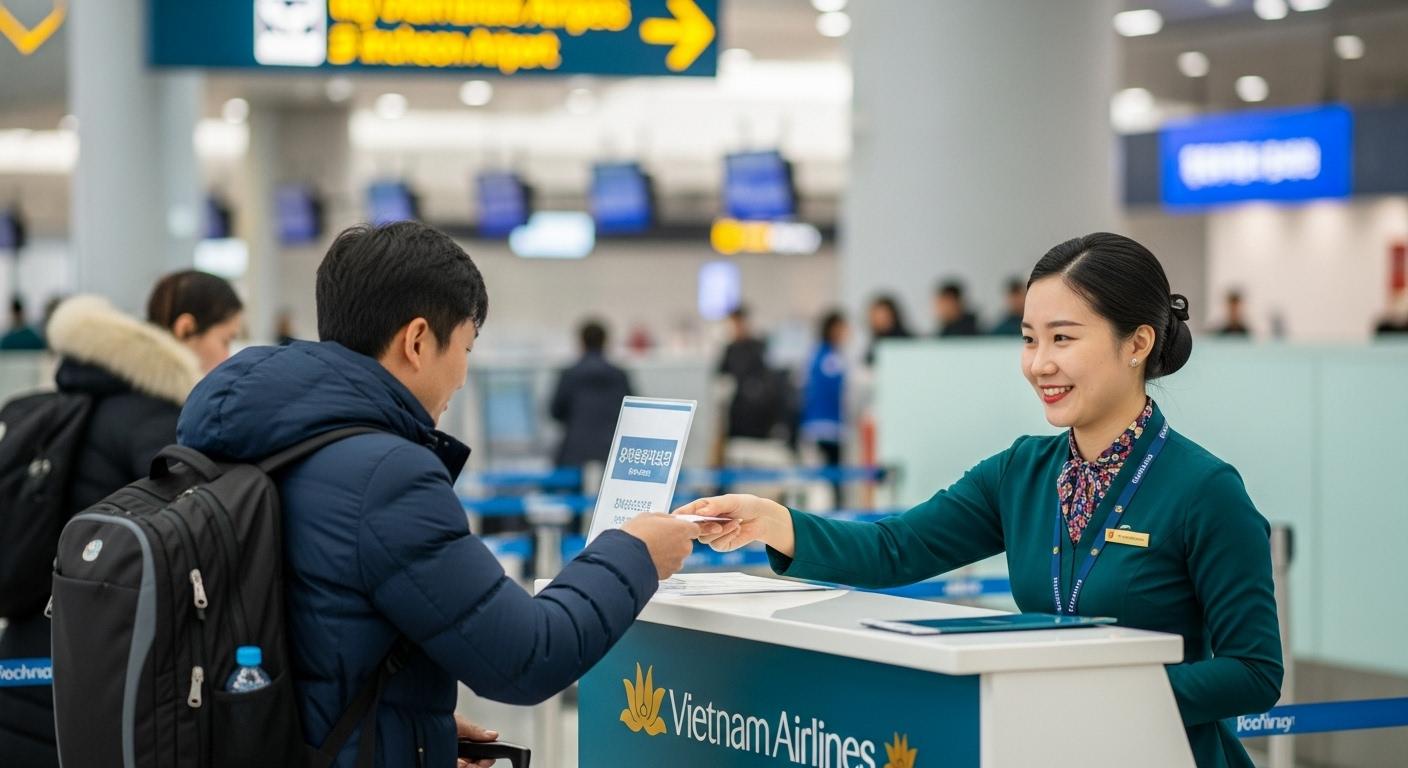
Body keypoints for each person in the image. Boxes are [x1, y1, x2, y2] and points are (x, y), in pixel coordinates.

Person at [683, 233, 1282, 768]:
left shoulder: (1205, 490)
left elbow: (1254, 672)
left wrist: (1114, 692)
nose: (1039, 363)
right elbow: (897, 548)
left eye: (1063, 338)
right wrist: (773, 521)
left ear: (1137, 343)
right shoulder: (1023, 472)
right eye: (1029, 339)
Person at [175, 221, 701, 768]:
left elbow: (310, 637)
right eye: (466, 347)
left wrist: (411, 731)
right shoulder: (384, 475)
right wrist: (633, 551)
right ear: (419, 340)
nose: (463, 376)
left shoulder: (249, 438)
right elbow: (526, 656)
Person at [0, 272, 242, 768]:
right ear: (185, 328)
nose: (229, 355)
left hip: (25, 649)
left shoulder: (81, 398)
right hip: (92, 661)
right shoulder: (156, 422)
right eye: (226, 338)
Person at [550, 319, 633, 471]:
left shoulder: (569, 374)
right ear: (605, 341)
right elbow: (632, 411)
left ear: (581, 342)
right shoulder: (619, 375)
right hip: (613, 451)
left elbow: (555, 412)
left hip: (574, 453)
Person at [800, 310, 848, 503]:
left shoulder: (822, 355)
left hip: (828, 425)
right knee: (826, 480)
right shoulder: (828, 358)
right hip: (824, 426)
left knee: (831, 478)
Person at [863, 294, 912, 366]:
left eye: (882, 316)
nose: (878, 321)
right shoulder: (875, 342)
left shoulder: (907, 341)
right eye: (875, 317)